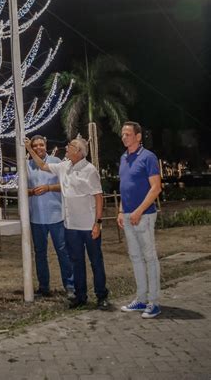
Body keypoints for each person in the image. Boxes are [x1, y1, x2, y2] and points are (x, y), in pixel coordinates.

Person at [25, 136, 109, 310]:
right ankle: (80, 295)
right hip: (71, 225)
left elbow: (98, 196)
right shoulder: (64, 166)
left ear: (78, 151)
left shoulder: (89, 170)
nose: (66, 147)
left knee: (95, 261)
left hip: (88, 224)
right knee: (76, 261)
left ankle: (101, 295)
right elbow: (42, 165)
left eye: (70, 146)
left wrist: (97, 222)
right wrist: (29, 149)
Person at [117, 121, 162, 319]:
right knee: (135, 257)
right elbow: (124, 186)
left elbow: (156, 188)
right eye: (122, 134)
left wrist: (138, 211)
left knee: (149, 257)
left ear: (138, 136)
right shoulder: (124, 157)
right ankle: (141, 298)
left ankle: (154, 302)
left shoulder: (148, 157)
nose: (124, 137)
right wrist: (121, 211)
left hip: (144, 215)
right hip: (127, 215)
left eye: (128, 134)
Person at [26, 134, 74, 298]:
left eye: (41, 145)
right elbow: (21, 190)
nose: (38, 148)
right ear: (31, 148)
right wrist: (32, 191)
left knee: (63, 250)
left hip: (56, 215)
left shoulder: (56, 162)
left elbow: (65, 185)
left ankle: (70, 285)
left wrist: (49, 188)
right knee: (40, 253)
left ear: (45, 145)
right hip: (36, 218)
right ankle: (43, 286)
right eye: (35, 146)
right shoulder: (26, 165)